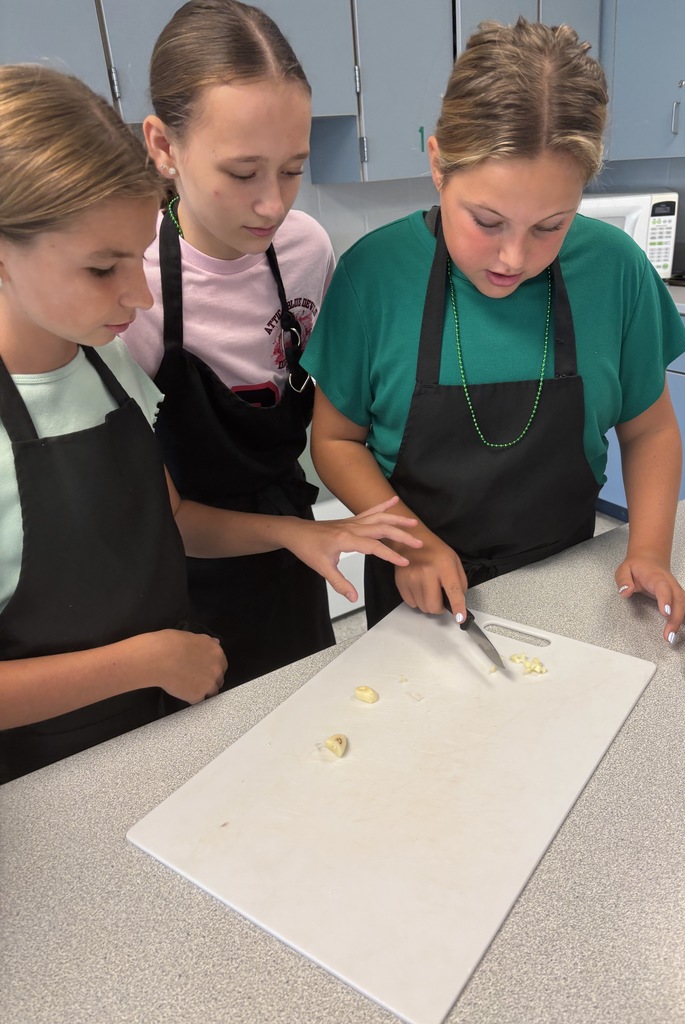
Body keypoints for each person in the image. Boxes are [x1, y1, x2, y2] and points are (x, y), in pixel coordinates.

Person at [0, 64, 419, 782]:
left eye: (136, 257)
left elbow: (174, 519)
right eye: (104, 268)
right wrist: (147, 659)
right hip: (47, 781)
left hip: (156, 729)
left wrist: (302, 533)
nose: (137, 294)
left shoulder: (103, 363)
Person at [302, 18, 685, 644]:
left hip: (568, 576)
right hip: (420, 586)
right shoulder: (374, 276)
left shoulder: (616, 270)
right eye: (487, 221)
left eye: (551, 225)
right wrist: (410, 544)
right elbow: (335, 439)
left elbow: (650, 426)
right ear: (439, 165)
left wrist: (650, 551)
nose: (514, 259)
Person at [120, 0, 344, 687]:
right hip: (184, 572)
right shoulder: (130, 289)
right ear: (163, 146)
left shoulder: (307, 252)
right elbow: (156, 513)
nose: (272, 205)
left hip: (292, 553)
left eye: (293, 169)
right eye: (243, 173)